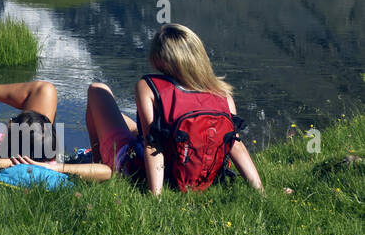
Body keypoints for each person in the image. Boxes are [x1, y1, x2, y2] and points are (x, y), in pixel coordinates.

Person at [85, 23, 262, 195]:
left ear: (161, 59)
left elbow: (152, 145)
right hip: (203, 177)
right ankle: (98, 158)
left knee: (98, 90)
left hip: (140, 171)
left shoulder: (149, 87)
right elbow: (236, 147)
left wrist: (156, 197)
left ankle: (97, 160)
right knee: (126, 122)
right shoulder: (223, 96)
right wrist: (260, 192)